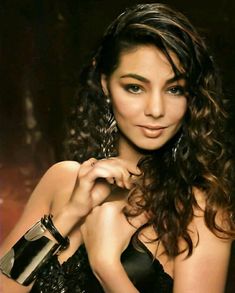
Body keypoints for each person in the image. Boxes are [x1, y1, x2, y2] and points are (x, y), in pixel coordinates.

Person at [0, 3, 234, 293]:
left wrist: (107, 267)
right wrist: (70, 214)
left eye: (175, 89)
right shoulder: (62, 181)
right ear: (106, 84)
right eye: (135, 87)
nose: (156, 109)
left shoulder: (200, 211)